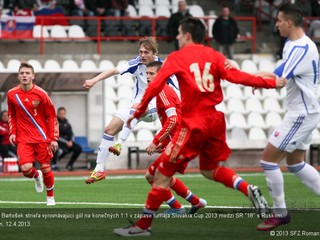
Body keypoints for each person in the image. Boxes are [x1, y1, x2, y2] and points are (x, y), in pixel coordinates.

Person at [113, 16, 287, 237]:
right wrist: (272, 83)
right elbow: (238, 77)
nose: (176, 37)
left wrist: (136, 113)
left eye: (178, 34)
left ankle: (142, 227)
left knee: (161, 175)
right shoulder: (214, 56)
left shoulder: (177, 57)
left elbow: (156, 85)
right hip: (215, 121)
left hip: (193, 123)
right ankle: (247, 188)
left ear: (187, 35)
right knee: (209, 169)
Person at [255, 3, 320, 231]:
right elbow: (281, 75)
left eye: (279, 20)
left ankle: (280, 213)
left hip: (301, 114)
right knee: (295, 163)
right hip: (305, 111)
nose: (276, 24)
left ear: (289, 22)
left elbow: (279, 78)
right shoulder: (292, 44)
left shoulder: (301, 48)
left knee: (268, 160)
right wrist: (263, 79)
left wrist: (250, 78)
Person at [83, 36, 179, 184]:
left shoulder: (163, 67)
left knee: (138, 109)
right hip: (136, 104)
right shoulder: (137, 63)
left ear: (154, 53)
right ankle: (99, 169)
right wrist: (94, 80)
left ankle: (120, 143)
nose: (142, 55)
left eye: (146, 52)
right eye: (141, 52)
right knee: (109, 129)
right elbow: (115, 70)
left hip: (154, 107)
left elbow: (178, 88)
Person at [145, 61, 206, 215]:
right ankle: (195, 202)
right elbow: (173, 121)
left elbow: (172, 120)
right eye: (146, 73)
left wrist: (156, 141)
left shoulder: (163, 91)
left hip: (179, 141)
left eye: (151, 73)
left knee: (152, 175)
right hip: (179, 140)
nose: (147, 76)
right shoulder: (162, 91)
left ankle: (177, 208)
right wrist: (164, 143)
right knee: (163, 176)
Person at [7, 62, 59, 206]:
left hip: (42, 136)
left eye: (27, 73)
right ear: (18, 76)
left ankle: (50, 197)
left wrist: (53, 138)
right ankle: (37, 176)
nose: (25, 75)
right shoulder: (12, 94)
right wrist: (13, 132)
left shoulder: (41, 94)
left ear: (33, 76)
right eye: (22, 73)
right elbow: (12, 114)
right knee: (25, 169)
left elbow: (52, 116)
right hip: (23, 138)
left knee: (46, 166)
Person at [51, 107, 82, 171]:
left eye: (63, 113)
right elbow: (56, 136)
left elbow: (71, 134)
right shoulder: (55, 122)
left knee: (78, 148)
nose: (62, 115)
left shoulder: (67, 123)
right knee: (62, 150)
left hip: (68, 142)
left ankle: (70, 165)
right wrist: (66, 142)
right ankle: (54, 164)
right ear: (58, 114)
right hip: (60, 143)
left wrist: (71, 141)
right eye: (60, 113)